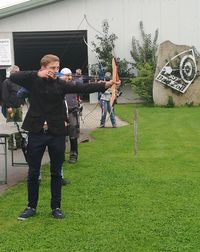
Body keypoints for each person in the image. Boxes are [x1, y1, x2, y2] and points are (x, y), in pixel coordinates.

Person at [9, 54, 119, 220]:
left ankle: (56, 207)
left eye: (57, 68)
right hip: (36, 133)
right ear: (43, 68)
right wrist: (37, 74)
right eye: (52, 68)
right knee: (33, 172)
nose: (55, 71)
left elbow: (82, 88)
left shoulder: (61, 84)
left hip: (56, 133)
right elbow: (14, 76)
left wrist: (105, 84)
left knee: (56, 173)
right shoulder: (33, 80)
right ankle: (31, 206)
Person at [60, 67, 81, 164]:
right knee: (61, 135)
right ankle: (60, 155)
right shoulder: (58, 85)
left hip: (72, 111)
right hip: (60, 113)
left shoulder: (74, 84)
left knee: (73, 133)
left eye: (70, 75)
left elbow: (82, 84)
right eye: (66, 75)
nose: (68, 77)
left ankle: (73, 155)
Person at [1, 65, 24, 149]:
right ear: (12, 73)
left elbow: (22, 93)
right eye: (16, 72)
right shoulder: (6, 82)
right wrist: (8, 107)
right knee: (11, 126)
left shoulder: (19, 82)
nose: (18, 74)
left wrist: (22, 103)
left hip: (18, 106)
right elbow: (5, 96)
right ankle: (10, 144)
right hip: (10, 108)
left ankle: (19, 143)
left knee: (18, 125)